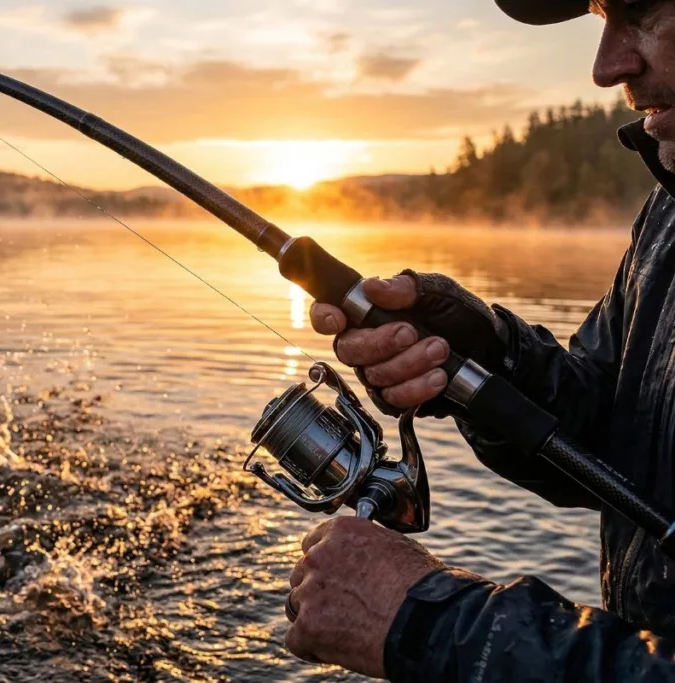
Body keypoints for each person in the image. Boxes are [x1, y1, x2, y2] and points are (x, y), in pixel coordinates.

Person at [284, 0, 675, 680]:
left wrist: (433, 624)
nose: (609, 65)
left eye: (644, 10)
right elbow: (616, 440)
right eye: (603, 16)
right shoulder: (669, 213)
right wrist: (480, 355)